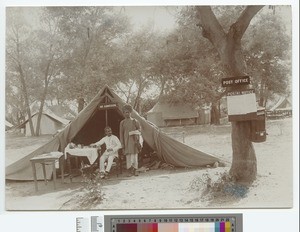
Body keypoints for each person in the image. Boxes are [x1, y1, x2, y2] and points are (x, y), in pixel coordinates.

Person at [119, 104, 141, 177]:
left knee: (134, 155)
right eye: (125, 112)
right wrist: (122, 144)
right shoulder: (122, 123)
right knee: (128, 156)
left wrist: (134, 132)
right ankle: (129, 170)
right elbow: (121, 134)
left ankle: (135, 170)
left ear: (131, 112)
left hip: (134, 141)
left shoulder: (135, 121)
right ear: (123, 113)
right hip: (126, 141)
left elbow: (140, 130)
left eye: (128, 112)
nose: (127, 113)